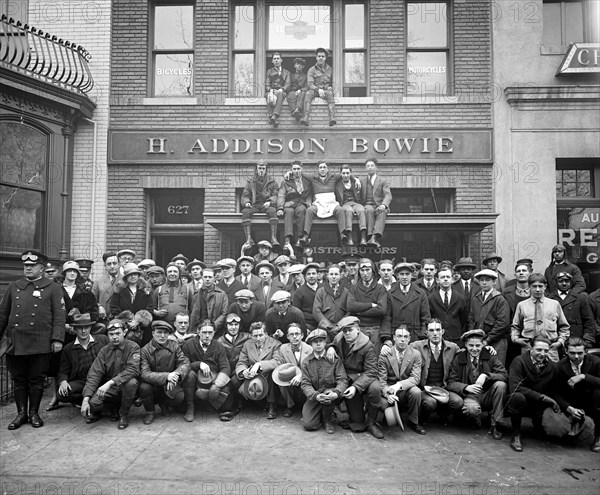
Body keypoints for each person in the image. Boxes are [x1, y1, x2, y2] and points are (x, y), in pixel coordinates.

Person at [0, 250, 66, 430]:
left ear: (42, 268)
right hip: (16, 342)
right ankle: (21, 414)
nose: (28, 268)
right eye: (26, 265)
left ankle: (34, 413)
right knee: (19, 379)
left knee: (37, 379)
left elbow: (60, 316)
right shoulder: (15, 286)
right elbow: (2, 315)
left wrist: (57, 339)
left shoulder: (53, 288)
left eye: (32, 265)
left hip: (40, 342)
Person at [47, 260, 100, 411]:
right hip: (60, 332)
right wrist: (63, 325)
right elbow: (49, 311)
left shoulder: (85, 292)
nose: (72, 274)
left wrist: (80, 321)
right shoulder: (55, 290)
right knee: (56, 363)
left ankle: (77, 394)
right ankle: (55, 396)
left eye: (75, 271)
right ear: (64, 273)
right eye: (69, 271)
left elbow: (93, 311)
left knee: (78, 362)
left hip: (80, 332)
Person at [81, 319, 141, 429]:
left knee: (131, 383)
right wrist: (86, 398)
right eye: (111, 334)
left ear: (125, 332)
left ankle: (124, 415)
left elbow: (133, 370)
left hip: (127, 387)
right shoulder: (104, 351)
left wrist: (109, 383)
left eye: (118, 333)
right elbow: (94, 373)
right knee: (93, 404)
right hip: (112, 389)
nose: (114, 337)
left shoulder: (133, 347)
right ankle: (113, 407)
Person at [448, 329, 507, 440]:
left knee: (501, 385)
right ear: (465, 344)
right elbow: (451, 382)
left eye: (478, 345)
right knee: (471, 410)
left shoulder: (490, 355)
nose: (474, 349)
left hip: (487, 394)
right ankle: (474, 417)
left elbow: (504, 375)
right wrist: (466, 387)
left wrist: (486, 375)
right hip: (470, 396)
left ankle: (496, 424)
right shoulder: (459, 358)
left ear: (483, 344)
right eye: (471, 345)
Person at [331, 316, 384, 439]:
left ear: (358, 329)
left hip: (363, 376)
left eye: (350, 330)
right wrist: (331, 348)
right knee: (357, 421)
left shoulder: (367, 346)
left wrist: (356, 387)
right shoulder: (339, 339)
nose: (347, 333)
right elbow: (332, 343)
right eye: (345, 330)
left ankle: (371, 423)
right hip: (346, 377)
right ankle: (338, 412)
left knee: (375, 388)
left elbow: (371, 371)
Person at [506, 336, 561, 452]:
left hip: (537, 406)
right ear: (530, 348)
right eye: (539, 350)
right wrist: (542, 397)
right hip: (519, 403)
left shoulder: (552, 367)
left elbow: (554, 390)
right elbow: (516, 388)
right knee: (517, 398)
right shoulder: (519, 361)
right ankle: (516, 434)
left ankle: (538, 425)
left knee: (556, 429)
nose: (542, 353)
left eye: (546, 351)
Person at [411, 319, 464, 425]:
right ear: (426, 333)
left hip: (443, 388)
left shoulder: (452, 347)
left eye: (438, 330)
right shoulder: (417, 346)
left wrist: (486, 349)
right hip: (425, 389)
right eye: (431, 330)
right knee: (430, 403)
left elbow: (467, 353)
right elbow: (401, 349)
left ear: (442, 331)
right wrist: (387, 348)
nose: (435, 333)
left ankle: (442, 415)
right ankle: (423, 418)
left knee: (458, 402)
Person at [139, 320, 192, 424]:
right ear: (153, 333)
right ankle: (150, 412)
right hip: (153, 384)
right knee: (144, 388)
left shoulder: (174, 346)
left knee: (181, 397)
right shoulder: (145, 350)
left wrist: (176, 375)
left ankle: (165, 403)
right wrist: (167, 376)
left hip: (170, 384)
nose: (162, 336)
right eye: (159, 332)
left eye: (165, 333)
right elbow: (144, 373)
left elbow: (185, 363)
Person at [511, 273, 570, 363]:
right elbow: (515, 326)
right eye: (534, 286)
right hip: (528, 347)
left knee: (552, 372)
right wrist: (516, 339)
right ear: (529, 287)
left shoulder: (554, 304)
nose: (537, 289)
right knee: (529, 371)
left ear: (545, 286)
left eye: (540, 286)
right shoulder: (522, 305)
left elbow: (564, 327)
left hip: (550, 348)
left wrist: (560, 342)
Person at [554, 337, 600, 452]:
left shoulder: (595, 361)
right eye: (572, 353)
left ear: (586, 351)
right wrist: (569, 408)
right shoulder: (559, 366)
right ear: (566, 351)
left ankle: (598, 437)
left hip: (592, 399)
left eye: (580, 353)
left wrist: (583, 376)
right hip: (571, 401)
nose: (576, 357)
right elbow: (555, 392)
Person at [378, 326, 426, 435]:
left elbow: (415, 378)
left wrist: (398, 385)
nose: (403, 339)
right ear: (394, 338)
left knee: (416, 392)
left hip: (405, 389)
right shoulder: (385, 354)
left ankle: (413, 421)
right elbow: (381, 380)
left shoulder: (415, 354)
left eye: (406, 336)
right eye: (399, 336)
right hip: (389, 390)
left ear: (409, 339)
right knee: (386, 410)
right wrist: (387, 394)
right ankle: (388, 414)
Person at [182, 320, 231, 422]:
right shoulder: (189, 345)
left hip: (213, 379)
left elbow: (225, 367)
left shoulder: (218, 346)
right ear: (198, 332)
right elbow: (184, 365)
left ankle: (210, 401)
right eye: (204, 333)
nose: (207, 336)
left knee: (227, 402)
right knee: (189, 375)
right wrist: (198, 364)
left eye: (210, 333)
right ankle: (190, 407)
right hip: (195, 380)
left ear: (214, 333)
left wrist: (217, 384)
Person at [301, 328, 348, 433]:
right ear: (311, 344)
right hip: (316, 395)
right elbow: (305, 384)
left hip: (331, 394)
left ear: (325, 342)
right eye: (315, 342)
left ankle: (327, 419)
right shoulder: (306, 362)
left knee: (328, 395)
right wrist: (315, 396)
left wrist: (336, 392)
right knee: (309, 425)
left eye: (321, 341)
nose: (318, 344)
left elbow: (343, 379)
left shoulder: (335, 359)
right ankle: (321, 414)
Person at [57, 313, 109, 406]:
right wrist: (63, 381)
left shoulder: (102, 340)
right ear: (75, 329)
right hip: (82, 381)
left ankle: (97, 400)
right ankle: (86, 399)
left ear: (90, 328)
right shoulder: (68, 348)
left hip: (102, 379)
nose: (83, 331)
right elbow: (63, 370)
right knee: (62, 395)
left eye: (86, 327)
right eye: (80, 328)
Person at [235, 322, 281, 419]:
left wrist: (259, 364)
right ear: (251, 336)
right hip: (253, 377)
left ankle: (272, 405)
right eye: (255, 336)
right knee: (235, 380)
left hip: (268, 376)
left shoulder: (275, 344)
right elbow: (241, 362)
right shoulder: (247, 344)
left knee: (274, 373)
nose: (258, 338)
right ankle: (243, 403)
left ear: (266, 334)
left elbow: (277, 361)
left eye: (261, 335)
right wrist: (244, 371)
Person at [297, 161, 349, 247]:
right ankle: (306, 236)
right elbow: (300, 173)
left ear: (327, 169)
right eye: (320, 167)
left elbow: (346, 174)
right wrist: (289, 173)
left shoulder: (334, 177)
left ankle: (342, 234)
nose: (322, 169)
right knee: (309, 210)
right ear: (318, 169)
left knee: (340, 210)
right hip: (319, 203)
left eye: (324, 167)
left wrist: (355, 179)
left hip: (331, 203)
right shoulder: (313, 177)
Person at [467, 269, 510, 365]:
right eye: (481, 280)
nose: (484, 282)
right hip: (479, 342)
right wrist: (473, 336)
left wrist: (488, 339)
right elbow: (471, 319)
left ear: (494, 282)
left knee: (496, 368)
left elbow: (503, 323)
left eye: (487, 280)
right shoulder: (476, 298)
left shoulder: (499, 299)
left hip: (496, 341)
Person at [347, 258, 388, 353]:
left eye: (367, 270)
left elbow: (381, 310)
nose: (365, 273)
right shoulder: (354, 288)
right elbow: (350, 306)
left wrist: (358, 311)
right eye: (362, 270)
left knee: (374, 357)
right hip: (359, 329)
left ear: (373, 271)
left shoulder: (380, 289)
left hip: (376, 329)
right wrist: (370, 305)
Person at [383, 262, 431, 344]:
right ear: (397, 276)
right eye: (402, 274)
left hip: (415, 336)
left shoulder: (420, 293)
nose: (404, 277)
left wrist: (423, 337)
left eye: (407, 274)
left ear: (412, 275)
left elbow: (425, 317)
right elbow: (387, 317)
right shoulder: (390, 293)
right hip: (397, 335)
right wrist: (387, 338)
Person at [273, 323, 312, 417]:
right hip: (289, 380)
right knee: (280, 379)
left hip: (305, 379)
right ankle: (290, 405)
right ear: (287, 337)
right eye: (291, 334)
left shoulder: (309, 349)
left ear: (302, 335)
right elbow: (279, 363)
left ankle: (307, 405)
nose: (294, 337)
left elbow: (313, 369)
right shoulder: (282, 348)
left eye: (297, 334)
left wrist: (301, 375)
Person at [548, 272, 595, 348]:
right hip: (557, 340)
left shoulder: (581, 298)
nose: (564, 284)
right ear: (555, 283)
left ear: (571, 282)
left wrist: (587, 339)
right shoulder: (549, 298)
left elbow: (589, 321)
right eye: (560, 281)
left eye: (567, 281)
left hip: (576, 339)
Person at [217, 313, 251, 421]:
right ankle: (229, 407)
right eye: (230, 325)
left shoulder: (247, 337)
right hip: (226, 371)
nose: (233, 327)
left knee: (235, 381)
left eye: (236, 324)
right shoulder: (219, 341)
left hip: (242, 370)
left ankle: (238, 404)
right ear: (226, 326)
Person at [241, 160, 280, 247]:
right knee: (245, 212)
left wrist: (270, 202)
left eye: (263, 168)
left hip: (266, 205)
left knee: (273, 211)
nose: (261, 170)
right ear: (256, 169)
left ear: (266, 170)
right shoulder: (250, 182)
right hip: (254, 205)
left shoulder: (272, 182)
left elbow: (276, 195)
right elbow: (245, 195)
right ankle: (248, 239)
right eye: (259, 168)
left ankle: (273, 238)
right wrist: (246, 202)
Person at [428, 267, 468, 345]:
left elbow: (464, 319)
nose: (445, 279)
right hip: (437, 339)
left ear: (452, 280)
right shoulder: (431, 298)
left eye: (448, 277)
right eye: (442, 277)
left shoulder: (460, 298)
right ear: (437, 280)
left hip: (455, 338)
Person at [277, 160, 313, 246]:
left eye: (298, 169)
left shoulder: (307, 181)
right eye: (294, 169)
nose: (296, 171)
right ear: (291, 170)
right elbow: (281, 195)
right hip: (289, 203)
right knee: (289, 212)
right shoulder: (286, 181)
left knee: (301, 211)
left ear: (301, 169)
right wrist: (280, 208)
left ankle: (300, 238)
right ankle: (287, 239)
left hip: (301, 203)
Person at [360, 158, 392, 248]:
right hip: (367, 204)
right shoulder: (361, 180)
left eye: (372, 165)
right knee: (368, 210)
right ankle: (370, 236)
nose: (370, 167)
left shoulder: (383, 180)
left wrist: (383, 205)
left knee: (383, 211)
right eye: (368, 166)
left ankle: (374, 237)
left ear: (376, 167)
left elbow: (388, 195)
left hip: (379, 205)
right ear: (365, 168)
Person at [301, 47, 336, 127]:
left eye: (323, 56)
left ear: (325, 58)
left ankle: (332, 118)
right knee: (308, 94)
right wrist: (318, 89)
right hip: (315, 90)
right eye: (319, 56)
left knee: (330, 94)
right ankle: (305, 118)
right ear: (316, 57)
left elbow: (334, 82)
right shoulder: (311, 70)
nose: (321, 58)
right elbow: (310, 84)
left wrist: (330, 87)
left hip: (326, 90)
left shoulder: (330, 69)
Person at [190, 266, 228, 336]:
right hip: (198, 330)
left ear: (214, 278)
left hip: (216, 331)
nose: (207, 279)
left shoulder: (221, 294)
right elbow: (192, 312)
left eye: (210, 277)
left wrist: (213, 326)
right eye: (205, 277)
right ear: (202, 277)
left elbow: (224, 313)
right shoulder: (196, 294)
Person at [313, 263, 349, 338]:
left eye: (336, 274)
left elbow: (349, 311)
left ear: (340, 276)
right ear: (327, 275)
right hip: (324, 330)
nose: (333, 277)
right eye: (331, 274)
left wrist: (339, 326)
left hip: (342, 330)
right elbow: (316, 311)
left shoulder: (346, 292)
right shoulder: (321, 291)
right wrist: (329, 327)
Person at [337, 164, 366, 246]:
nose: (345, 175)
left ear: (350, 173)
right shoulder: (337, 184)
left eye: (347, 173)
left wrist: (356, 179)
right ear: (340, 174)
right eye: (343, 173)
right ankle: (349, 238)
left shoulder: (355, 182)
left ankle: (363, 238)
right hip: (345, 203)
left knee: (361, 210)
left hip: (355, 203)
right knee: (348, 211)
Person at [92, 252, 121, 322]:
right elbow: (92, 300)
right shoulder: (98, 281)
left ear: (119, 264)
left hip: (119, 319)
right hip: (103, 319)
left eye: (114, 263)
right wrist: (99, 306)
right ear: (105, 266)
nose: (112, 266)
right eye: (109, 264)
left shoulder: (125, 281)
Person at [292, 263, 321, 331]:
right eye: (308, 274)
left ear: (317, 275)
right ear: (304, 276)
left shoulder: (324, 288)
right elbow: (296, 313)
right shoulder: (299, 292)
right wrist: (303, 327)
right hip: (308, 325)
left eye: (313, 273)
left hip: (324, 324)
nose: (311, 276)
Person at [265, 52, 290, 127]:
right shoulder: (269, 71)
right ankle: (271, 117)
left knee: (281, 94)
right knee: (268, 95)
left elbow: (288, 84)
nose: (276, 60)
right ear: (272, 61)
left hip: (282, 92)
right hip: (272, 91)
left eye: (278, 58)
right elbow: (267, 84)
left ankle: (274, 116)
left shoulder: (287, 72)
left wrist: (281, 89)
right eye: (274, 59)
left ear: (281, 60)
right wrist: (271, 90)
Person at [287, 57, 307, 122]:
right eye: (297, 64)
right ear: (294, 65)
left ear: (303, 66)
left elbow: (307, 86)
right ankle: (294, 111)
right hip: (292, 92)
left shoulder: (305, 76)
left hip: (302, 92)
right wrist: (294, 91)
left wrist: (300, 90)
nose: (299, 66)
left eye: (301, 64)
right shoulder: (291, 76)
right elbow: (288, 85)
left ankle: (298, 109)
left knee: (303, 93)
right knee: (290, 94)